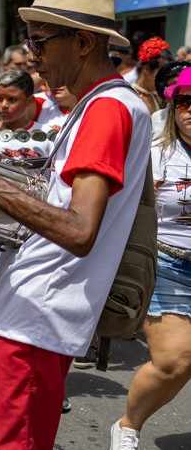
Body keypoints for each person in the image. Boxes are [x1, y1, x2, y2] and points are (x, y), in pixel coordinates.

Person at [0, 0, 151, 450]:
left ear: (83, 42)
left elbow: (80, 229)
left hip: (39, 320)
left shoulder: (108, 109)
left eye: (39, 41)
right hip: (25, 313)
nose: (31, 56)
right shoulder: (96, 105)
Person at [111, 67, 191, 449]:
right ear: (173, 107)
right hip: (167, 265)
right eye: (185, 102)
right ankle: (128, 425)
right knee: (176, 360)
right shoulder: (156, 154)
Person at [0, 69, 66, 344]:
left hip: (28, 246)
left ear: (31, 102)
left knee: (20, 321)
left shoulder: (48, 140)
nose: (4, 106)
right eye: (0, 99)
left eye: (13, 99)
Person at [133, 36, 173, 115]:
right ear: (146, 69)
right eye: (160, 74)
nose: (164, 80)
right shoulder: (130, 96)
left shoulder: (158, 98)